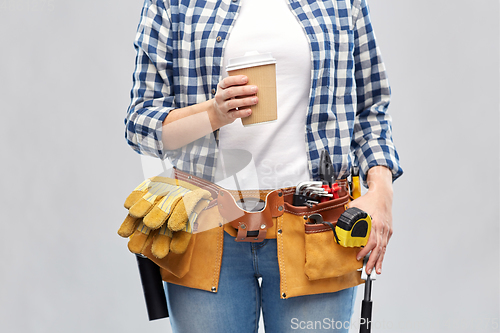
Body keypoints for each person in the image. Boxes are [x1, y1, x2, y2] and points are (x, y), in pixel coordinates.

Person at [124, 0, 402, 332]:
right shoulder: (171, 4)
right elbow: (140, 122)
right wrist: (213, 113)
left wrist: (381, 191)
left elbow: (371, 109)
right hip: (204, 228)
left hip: (315, 227)